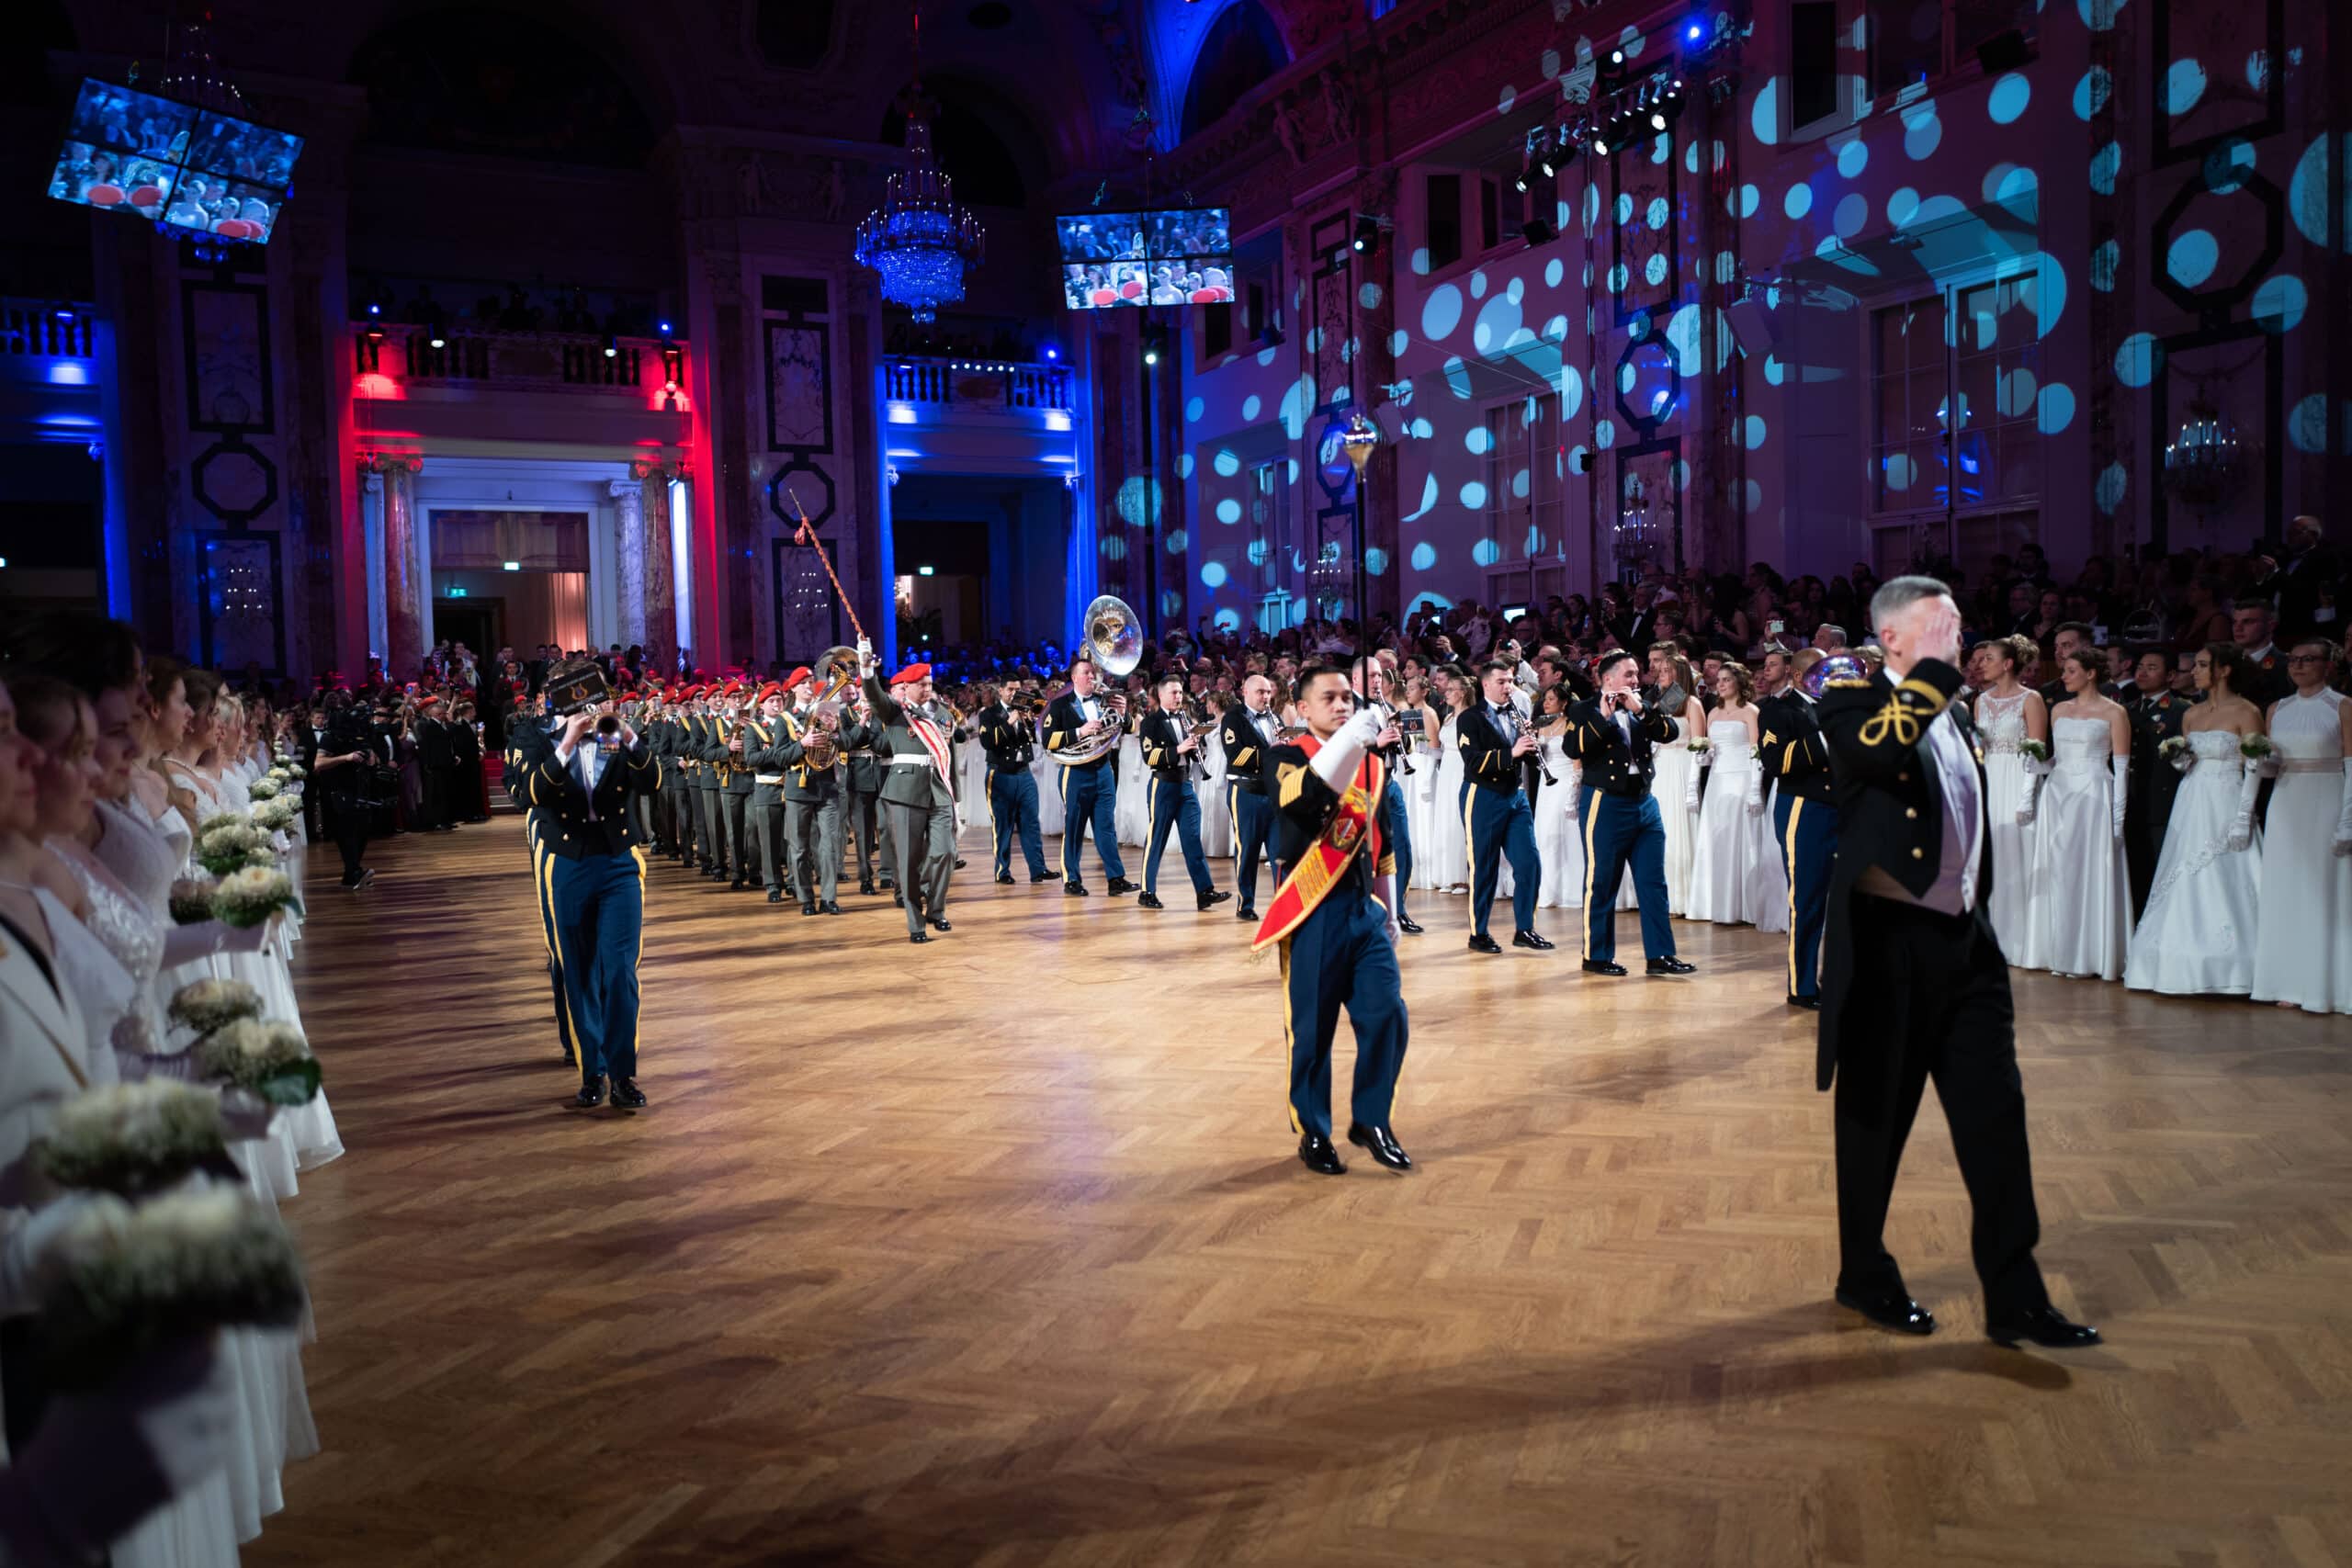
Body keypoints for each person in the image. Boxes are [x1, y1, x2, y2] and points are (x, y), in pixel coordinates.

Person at [1815, 575, 2098, 1349]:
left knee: (1996, 1120)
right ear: (1892, 637)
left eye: (1960, 625)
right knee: (1875, 1123)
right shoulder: (1851, 699)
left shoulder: (1957, 712)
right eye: (1942, 626)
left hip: (1967, 943)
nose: (1960, 638)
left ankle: (2016, 1297)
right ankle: (1863, 1272)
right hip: (1887, 945)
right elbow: (1877, 754)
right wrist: (1935, 677)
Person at [1250, 661, 1409, 1176]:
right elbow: (1301, 799)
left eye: (1348, 698)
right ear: (1302, 708)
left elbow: (1382, 846)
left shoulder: (1370, 765)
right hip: (1312, 911)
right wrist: (1349, 744)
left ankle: (1372, 1119)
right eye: (1329, 698)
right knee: (1312, 1031)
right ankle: (1313, 1131)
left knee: (1387, 1015)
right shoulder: (1283, 756)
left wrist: (1391, 914)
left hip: (1364, 912)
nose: (1342, 705)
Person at [514, 685, 657, 1109]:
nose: (593, 709)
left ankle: (623, 1073)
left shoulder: (612, 737)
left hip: (618, 862)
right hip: (569, 863)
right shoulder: (538, 738)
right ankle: (592, 1070)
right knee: (578, 971)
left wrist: (627, 735)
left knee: (620, 972)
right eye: (583, 703)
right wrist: (568, 742)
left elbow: (651, 782)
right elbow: (528, 794)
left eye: (598, 700)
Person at [2124, 642, 2266, 997]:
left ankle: (2236, 966)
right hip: (2191, 799)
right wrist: (2178, 758)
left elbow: (2255, 765)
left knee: (2225, 871)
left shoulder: (2246, 711)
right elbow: (2188, 764)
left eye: (2202, 665)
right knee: (2183, 871)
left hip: (2227, 797)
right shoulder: (2191, 713)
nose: (2195, 671)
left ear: (2224, 670)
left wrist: (2243, 817)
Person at [1555, 651, 1690, 976]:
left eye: (1636, 673)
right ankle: (1596, 955)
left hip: (1644, 801)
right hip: (1605, 803)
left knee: (1653, 882)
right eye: (1629, 674)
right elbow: (1572, 748)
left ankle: (1660, 955)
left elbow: (1670, 732)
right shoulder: (1583, 708)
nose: (1635, 679)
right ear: (1608, 679)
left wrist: (1641, 710)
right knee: (1602, 881)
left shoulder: (1643, 705)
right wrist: (1602, 719)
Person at [2249, 638, 2352, 1014]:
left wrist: (2348, 819)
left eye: (2308, 659)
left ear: (2328, 665)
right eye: (2293, 659)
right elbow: (2273, 765)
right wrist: (2259, 762)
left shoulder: (2342, 706)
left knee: (2322, 888)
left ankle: (2326, 984)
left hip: (2326, 797)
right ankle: (2288, 980)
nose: (2298, 665)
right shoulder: (2277, 709)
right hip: (2286, 801)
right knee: (2286, 889)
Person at [2021, 649, 2132, 980]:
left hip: (2093, 795)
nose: (2064, 676)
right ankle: (2058, 949)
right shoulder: (2059, 709)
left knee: (2089, 870)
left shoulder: (2114, 712)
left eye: (2071, 670)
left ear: (2091, 673)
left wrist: (2118, 821)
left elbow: (2121, 769)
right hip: (2058, 793)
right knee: (2059, 870)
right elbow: (2057, 759)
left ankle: (2089, 954)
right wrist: (2038, 765)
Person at [860, 648, 958, 942]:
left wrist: (955, 793)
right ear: (907, 686)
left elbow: (949, 752)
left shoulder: (942, 713)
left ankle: (936, 910)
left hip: (938, 790)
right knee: (908, 860)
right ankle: (916, 924)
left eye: (930, 684)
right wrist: (867, 668)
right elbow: (874, 694)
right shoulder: (895, 710)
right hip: (905, 792)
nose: (928, 689)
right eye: (922, 685)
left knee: (946, 852)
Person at [1758, 649, 1839, 1008]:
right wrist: (1825, 736)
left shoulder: (1839, 707)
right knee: (1806, 900)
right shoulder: (1779, 710)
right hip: (1804, 810)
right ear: (1798, 675)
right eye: (1823, 672)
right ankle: (1802, 986)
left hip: (1842, 808)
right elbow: (1775, 762)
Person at [1455, 660, 1549, 953]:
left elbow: (1526, 758)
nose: (1508, 686)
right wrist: (1513, 751)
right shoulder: (1470, 718)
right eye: (1501, 681)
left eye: (1510, 681)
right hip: (1483, 795)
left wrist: (1532, 745)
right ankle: (1478, 933)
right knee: (1484, 867)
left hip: (1515, 795)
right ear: (1486, 684)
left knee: (1529, 863)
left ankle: (1525, 929)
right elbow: (1473, 761)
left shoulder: (1518, 712)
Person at [1686, 662, 1783, 929]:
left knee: (1742, 837)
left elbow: (1756, 752)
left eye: (1727, 679)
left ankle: (1746, 905)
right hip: (1717, 781)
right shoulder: (1713, 713)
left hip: (1742, 779)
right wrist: (1704, 756)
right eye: (1719, 680)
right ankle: (1717, 904)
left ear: (1739, 682)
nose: (1721, 684)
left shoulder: (1751, 711)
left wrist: (1754, 789)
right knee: (1717, 837)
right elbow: (1711, 750)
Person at [1969, 636, 2046, 960]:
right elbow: (1977, 750)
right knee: (1990, 856)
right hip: (1990, 780)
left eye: (1988, 658)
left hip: (2017, 779)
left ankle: (2021, 941)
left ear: (2008, 663)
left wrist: (2027, 796)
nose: (1981, 664)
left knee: (2017, 851)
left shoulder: (2031, 699)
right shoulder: (1980, 701)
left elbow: (2037, 752)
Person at [1044, 656, 1135, 897]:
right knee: (1074, 826)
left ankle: (1116, 878)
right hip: (1076, 772)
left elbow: (1129, 728)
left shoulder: (1103, 700)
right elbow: (1047, 740)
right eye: (1086, 673)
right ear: (1074, 678)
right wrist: (1080, 731)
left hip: (1103, 770)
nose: (1092, 676)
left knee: (1106, 827)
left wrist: (1123, 713)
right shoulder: (1060, 705)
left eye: (1093, 673)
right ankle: (1071, 879)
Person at [1136, 676, 1229, 911]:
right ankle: (1147, 891)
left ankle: (1204, 891)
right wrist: (1179, 748)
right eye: (1174, 693)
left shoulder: (1185, 719)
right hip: (1163, 784)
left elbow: (1189, 753)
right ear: (1161, 695)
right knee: (1156, 839)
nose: (1179, 696)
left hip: (1185, 784)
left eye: (1180, 692)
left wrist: (1196, 747)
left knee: (1192, 839)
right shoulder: (1151, 722)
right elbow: (1150, 757)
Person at [2120, 646, 2187, 918]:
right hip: (2131, 800)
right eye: (2140, 667)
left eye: (2151, 668)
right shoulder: (2126, 710)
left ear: (2170, 675)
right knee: (2133, 871)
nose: (2142, 673)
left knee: (2161, 868)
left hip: (2162, 801)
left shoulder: (2181, 710)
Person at [1219, 672, 1283, 921]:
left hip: (1273, 792)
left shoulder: (1275, 717)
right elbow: (1236, 755)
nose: (1266, 697)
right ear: (1245, 692)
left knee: (1280, 851)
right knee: (1247, 850)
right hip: (1246, 791)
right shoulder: (1233, 718)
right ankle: (1245, 904)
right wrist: (1271, 753)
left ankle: (1285, 905)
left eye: (1268, 692)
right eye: (1260, 692)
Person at [978, 678, 1049, 885]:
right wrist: (1010, 720)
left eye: (1018, 690)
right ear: (1000, 691)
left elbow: (1036, 738)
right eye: (1010, 689)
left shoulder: (1026, 711)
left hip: (1024, 773)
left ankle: (1038, 869)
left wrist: (1029, 720)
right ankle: (1002, 871)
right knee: (1003, 825)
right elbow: (987, 742)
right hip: (1000, 774)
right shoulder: (989, 714)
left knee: (1031, 822)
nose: (1014, 693)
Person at [743, 678, 799, 905]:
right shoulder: (754, 728)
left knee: (794, 840)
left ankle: (795, 881)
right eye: (772, 701)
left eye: (779, 700)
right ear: (762, 705)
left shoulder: (791, 724)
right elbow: (751, 758)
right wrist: (778, 752)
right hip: (767, 789)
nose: (777, 704)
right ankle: (773, 884)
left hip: (792, 787)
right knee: (769, 840)